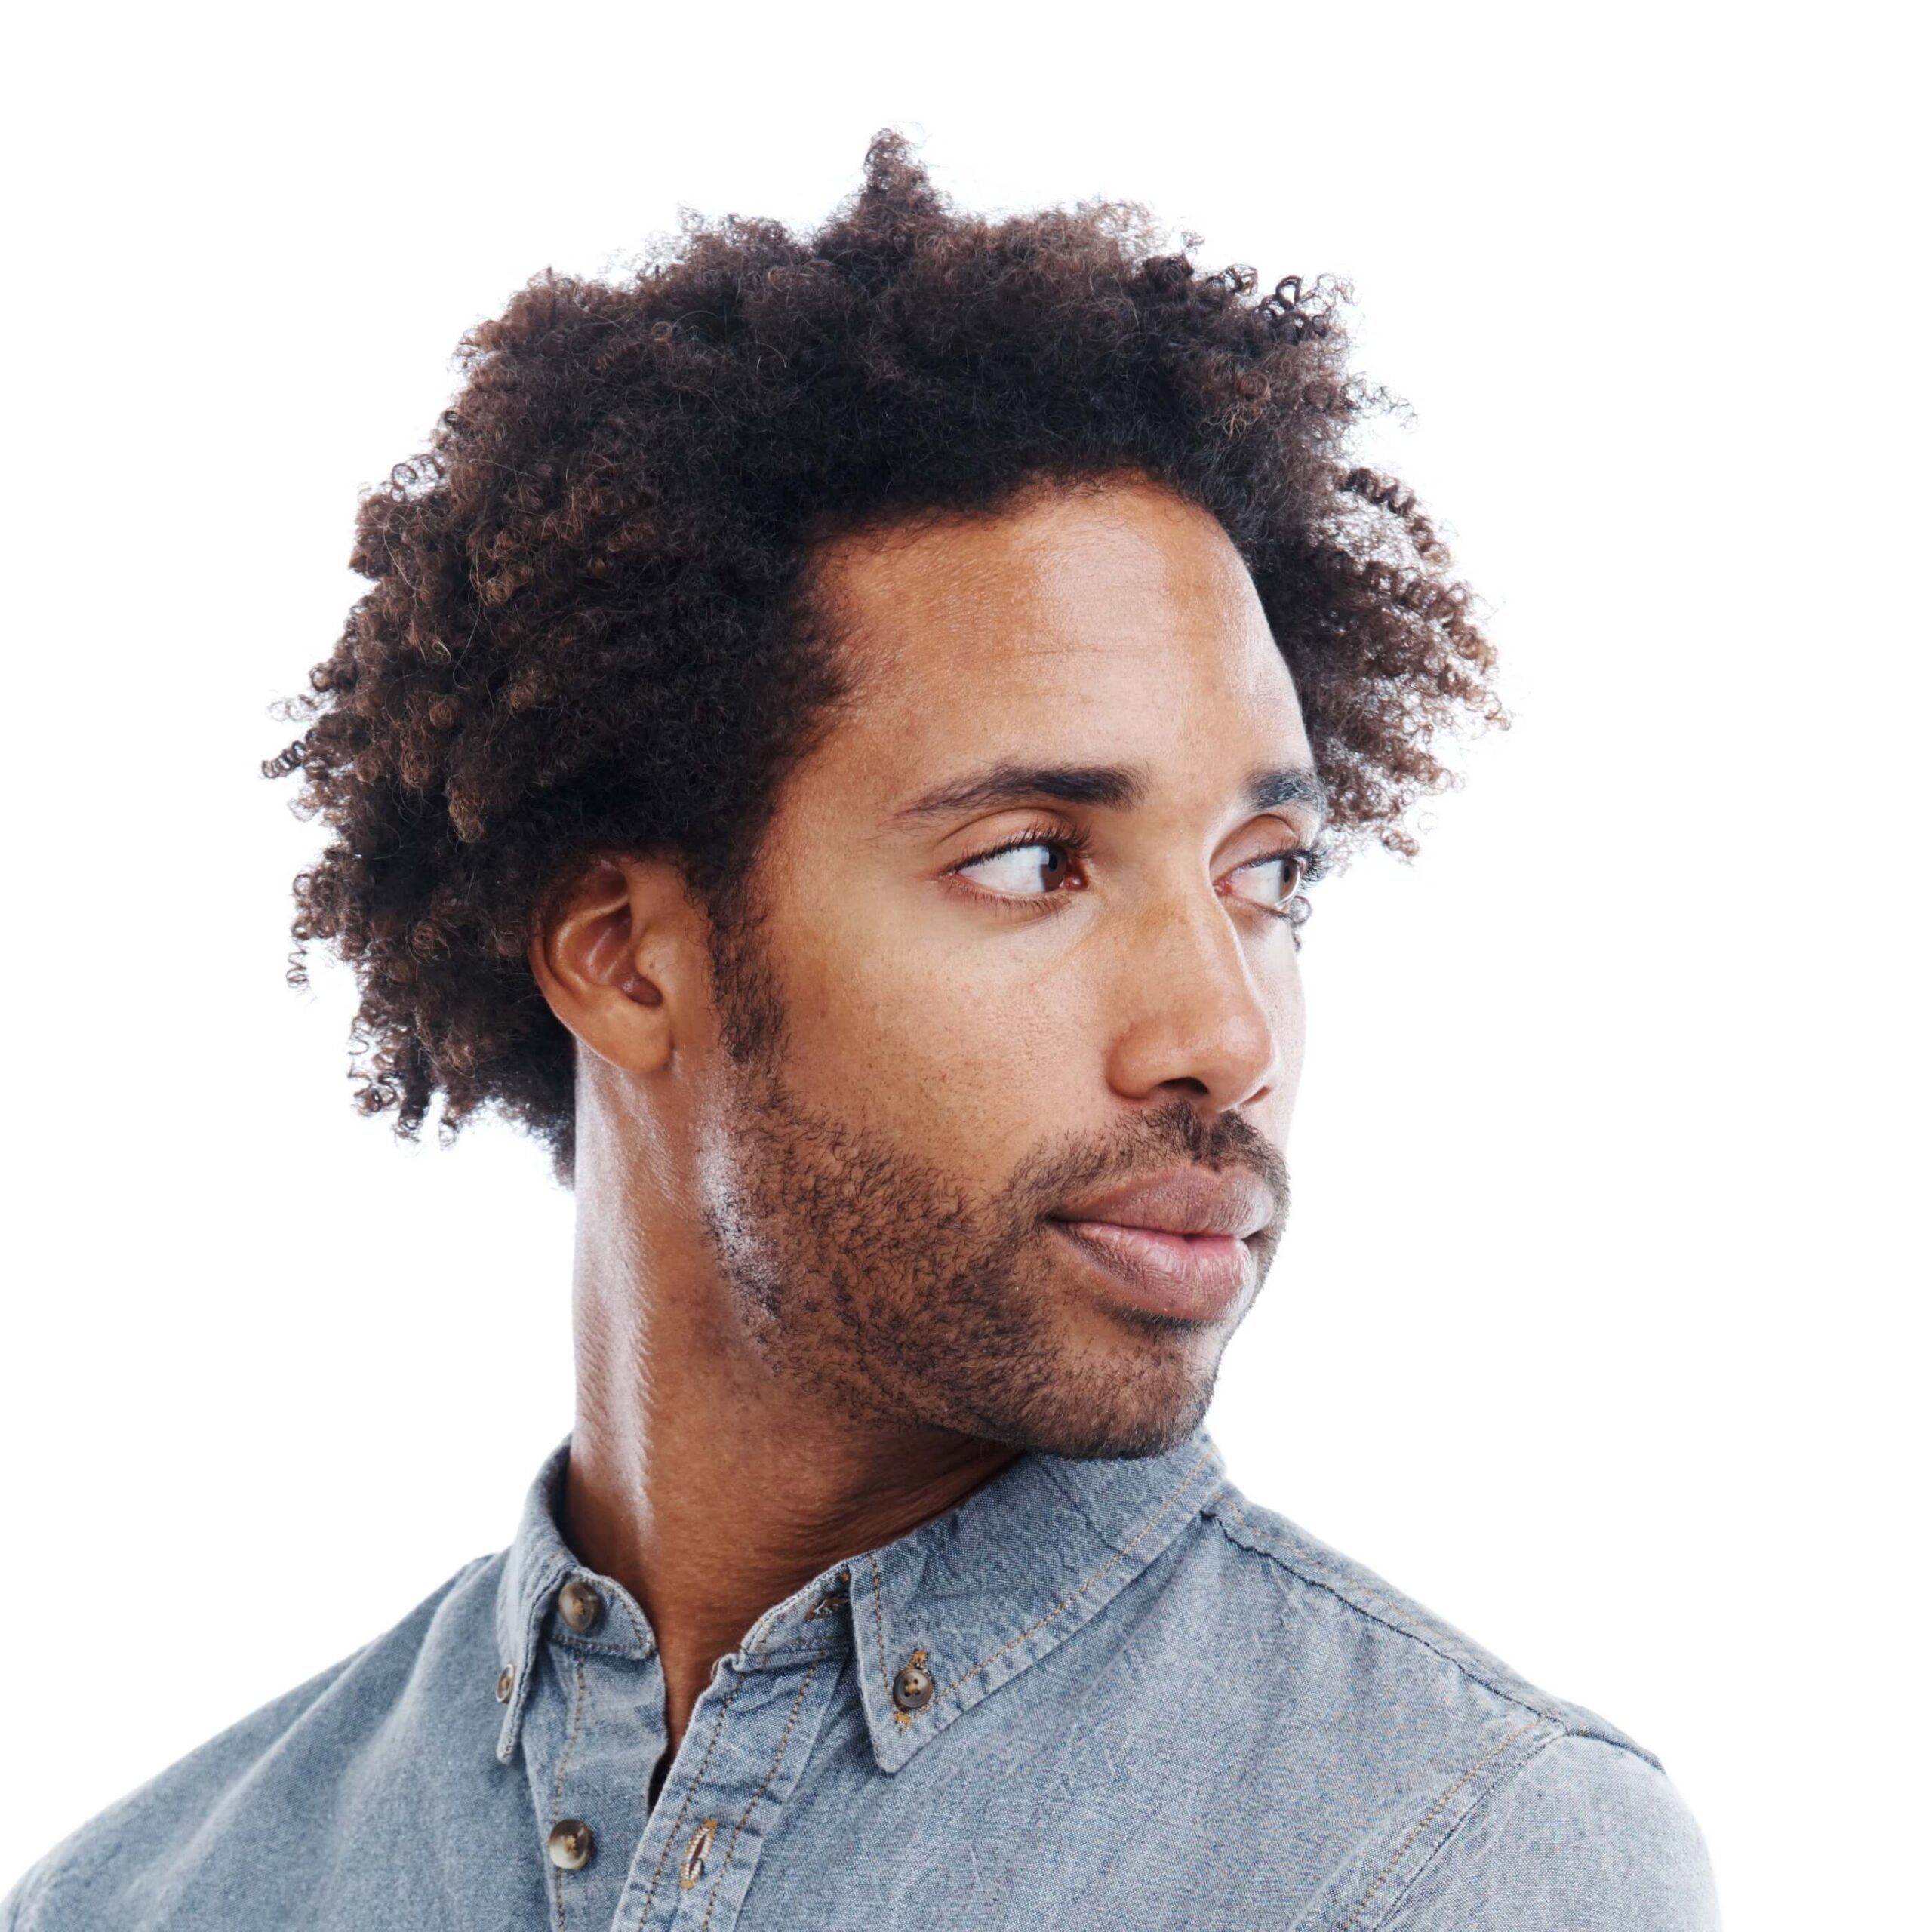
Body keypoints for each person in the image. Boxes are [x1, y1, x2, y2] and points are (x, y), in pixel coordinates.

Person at [3, 131, 1719, 1930]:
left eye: (1267, 874)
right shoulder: (151, 1899)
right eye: (1034, 859)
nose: (1224, 1030)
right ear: (623, 957)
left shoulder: (1461, 1859)